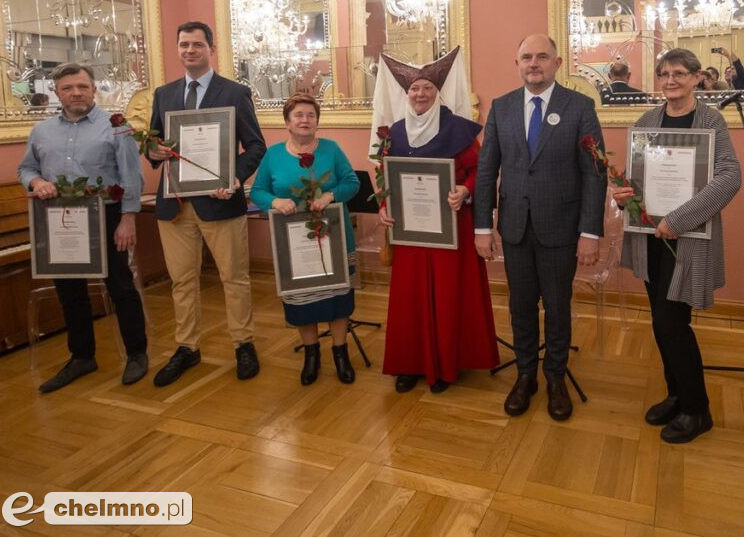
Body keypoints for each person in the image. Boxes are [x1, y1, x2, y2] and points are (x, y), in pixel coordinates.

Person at [474, 34, 607, 421]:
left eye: (542, 57)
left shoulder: (579, 106)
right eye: (527, 57)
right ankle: (526, 374)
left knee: (557, 306)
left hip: (561, 229)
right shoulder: (502, 107)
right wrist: (483, 224)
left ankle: (555, 378)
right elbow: (487, 171)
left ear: (557, 63)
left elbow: (594, 174)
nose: (534, 63)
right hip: (514, 228)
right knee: (520, 306)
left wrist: (590, 232)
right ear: (517, 63)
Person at [614, 49, 741, 443]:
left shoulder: (711, 120)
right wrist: (622, 193)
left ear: (697, 77)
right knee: (660, 322)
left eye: (680, 74)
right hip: (651, 236)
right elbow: (638, 176)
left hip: (686, 237)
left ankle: (697, 409)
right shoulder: (647, 120)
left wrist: (678, 219)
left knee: (673, 324)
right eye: (664, 74)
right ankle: (677, 394)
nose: (671, 81)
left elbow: (728, 177)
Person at [147, 21, 266, 386]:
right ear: (178, 48)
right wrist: (155, 150)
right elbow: (152, 146)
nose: (189, 50)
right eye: (183, 44)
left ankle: (243, 343)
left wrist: (234, 179)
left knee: (234, 278)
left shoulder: (234, 92)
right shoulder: (164, 94)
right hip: (175, 204)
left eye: (197, 44)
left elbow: (256, 146)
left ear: (210, 48)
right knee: (182, 282)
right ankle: (187, 347)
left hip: (219, 201)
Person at [375, 48, 500, 393]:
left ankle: (445, 365)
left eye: (427, 88)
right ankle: (409, 363)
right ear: (407, 93)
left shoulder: (458, 129)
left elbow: (480, 170)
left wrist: (464, 189)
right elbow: (384, 173)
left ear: (438, 92)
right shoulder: (395, 132)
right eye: (414, 89)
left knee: (448, 294)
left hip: (451, 229)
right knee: (409, 295)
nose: (420, 94)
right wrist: (384, 203)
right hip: (411, 229)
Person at [18, 63, 148, 392]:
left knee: (121, 287)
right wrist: (36, 180)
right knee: (70, 293)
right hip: (59, 220)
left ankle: (137, 354)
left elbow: (132, 175)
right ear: (57, 92)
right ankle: (82, 357)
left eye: (82, 86)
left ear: (93, 89)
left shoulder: (117, 126)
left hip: (108, 216)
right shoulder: (41, 131)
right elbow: (26, 168)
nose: (76, 93)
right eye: (68, 88)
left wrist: (128, 218)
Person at [250, 93, 360, 385]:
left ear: (317, 122)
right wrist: (275, 202)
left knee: (338, 298)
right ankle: (312, 355)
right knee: (302, 302)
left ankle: (341, 353)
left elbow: (353, 182)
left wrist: (329, 195)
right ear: (287, 122)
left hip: (334, 236)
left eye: (310, 115)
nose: (305, 120)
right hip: (293, 242)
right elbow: (258, 191)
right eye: (298, 115)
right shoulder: (273, 155)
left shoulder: (332, 149)